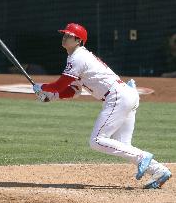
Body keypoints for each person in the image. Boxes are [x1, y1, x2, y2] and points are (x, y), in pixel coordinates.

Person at [33, 23, 172, 189]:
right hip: (127, 95)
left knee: (97, 140)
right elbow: (73, 90)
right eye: (64, 34)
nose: (64, 37)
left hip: (118, 97)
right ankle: (159, 171)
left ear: (78, 40)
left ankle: (144, 157)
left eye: (69, 35)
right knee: (123, 146)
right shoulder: (77, 57)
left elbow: (59, 84)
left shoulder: (78, 57)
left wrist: (42, 88)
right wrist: (51, 97)